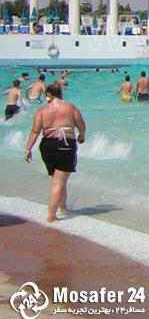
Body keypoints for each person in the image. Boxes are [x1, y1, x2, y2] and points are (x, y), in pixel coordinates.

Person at [23, 83, 86, 222]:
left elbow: (35, 131)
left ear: (48, 96)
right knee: (59, 182)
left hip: (47, 146)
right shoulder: (70, 107)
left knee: (58, 179)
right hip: (65, 145)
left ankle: (63, 208)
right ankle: (51, 216)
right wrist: (82, 135)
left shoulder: (42, 111)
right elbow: (81, 125)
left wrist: (28, 149)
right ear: (60, 94)